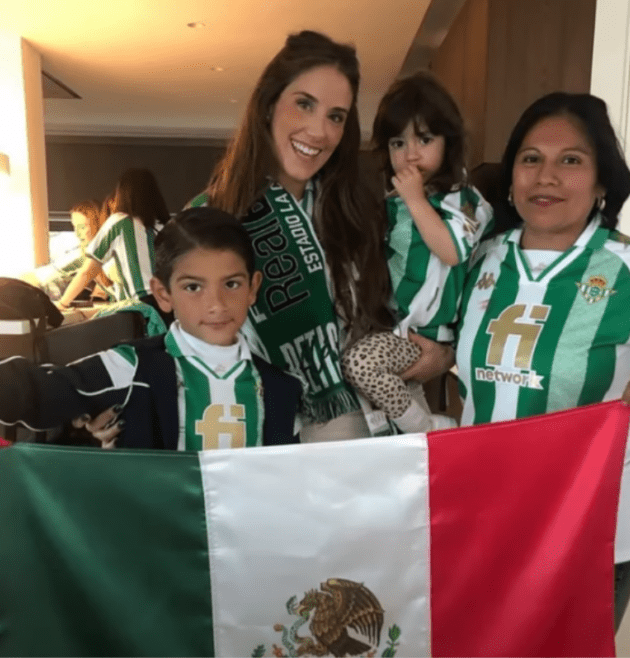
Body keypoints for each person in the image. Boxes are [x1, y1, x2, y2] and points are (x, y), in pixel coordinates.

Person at [455, 92, 630, 629]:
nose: (546, 176)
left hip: (593, 523)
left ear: (601, 183)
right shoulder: (481, 259)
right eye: (531, 159)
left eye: (570, 160)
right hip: (487, 512)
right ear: (511, 178)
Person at [186, 31, 453, 441]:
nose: (319, 131)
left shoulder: (361, 207)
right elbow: (184, 344)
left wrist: (437, 354)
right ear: (269, 103)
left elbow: (410, 298)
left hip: (378, 423)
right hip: (263, 427)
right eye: (304, 104)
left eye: (336, 116)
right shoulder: (207, 217)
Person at [0, 207, 302, 450]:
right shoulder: (132, 366)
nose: (216, 304)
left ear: (253, 287)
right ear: (163, 293)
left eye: (231, 284)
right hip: (153, 534)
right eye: (193, 287)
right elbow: (41, 392)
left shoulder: (281, 387)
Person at [341, 73, 493, 433]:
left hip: (427, 331)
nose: (410, 153)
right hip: (392, 325)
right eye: (397, 143)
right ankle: (413, 436)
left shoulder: (462, 200)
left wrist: (415, 198)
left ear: (448, 142)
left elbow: (453, 251)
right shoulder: (392, 205)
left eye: (424, 139)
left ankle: (425, 428)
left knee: (360, 364)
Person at [57, 168, 171, 319]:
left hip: (142, 308)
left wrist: (62, 304)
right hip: (171, 305)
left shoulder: (120, 222)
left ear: (122, 194)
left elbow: (87, 271)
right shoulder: (167, 226)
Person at [21, 200, 116, 301]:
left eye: (82, 227)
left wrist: (63, 304)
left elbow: (84, 275)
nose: (77, 234)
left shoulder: (115, 252)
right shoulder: (83, 255)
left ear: (99, 225)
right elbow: (46, 273)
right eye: (75, 227)